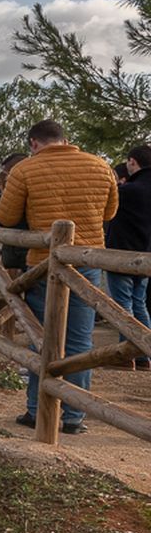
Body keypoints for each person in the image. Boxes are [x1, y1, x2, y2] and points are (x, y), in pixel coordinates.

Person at [0, 120, 119, 435]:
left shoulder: (24, 170)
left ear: (33, 143)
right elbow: (109, 214)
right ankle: (74, 416)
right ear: (66, 139)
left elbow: (6, 217)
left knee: (44, 337)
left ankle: (38, 410)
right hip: (87, 261)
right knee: (80, 339)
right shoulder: (100, 166)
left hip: (43, 263)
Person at [105, 143, 151, 369]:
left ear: (133, 162)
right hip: (147, 255)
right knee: (139, 303)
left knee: (122, 305)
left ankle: (126, 354)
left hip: (122, 253)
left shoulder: (128, 191)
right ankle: (144, 354)